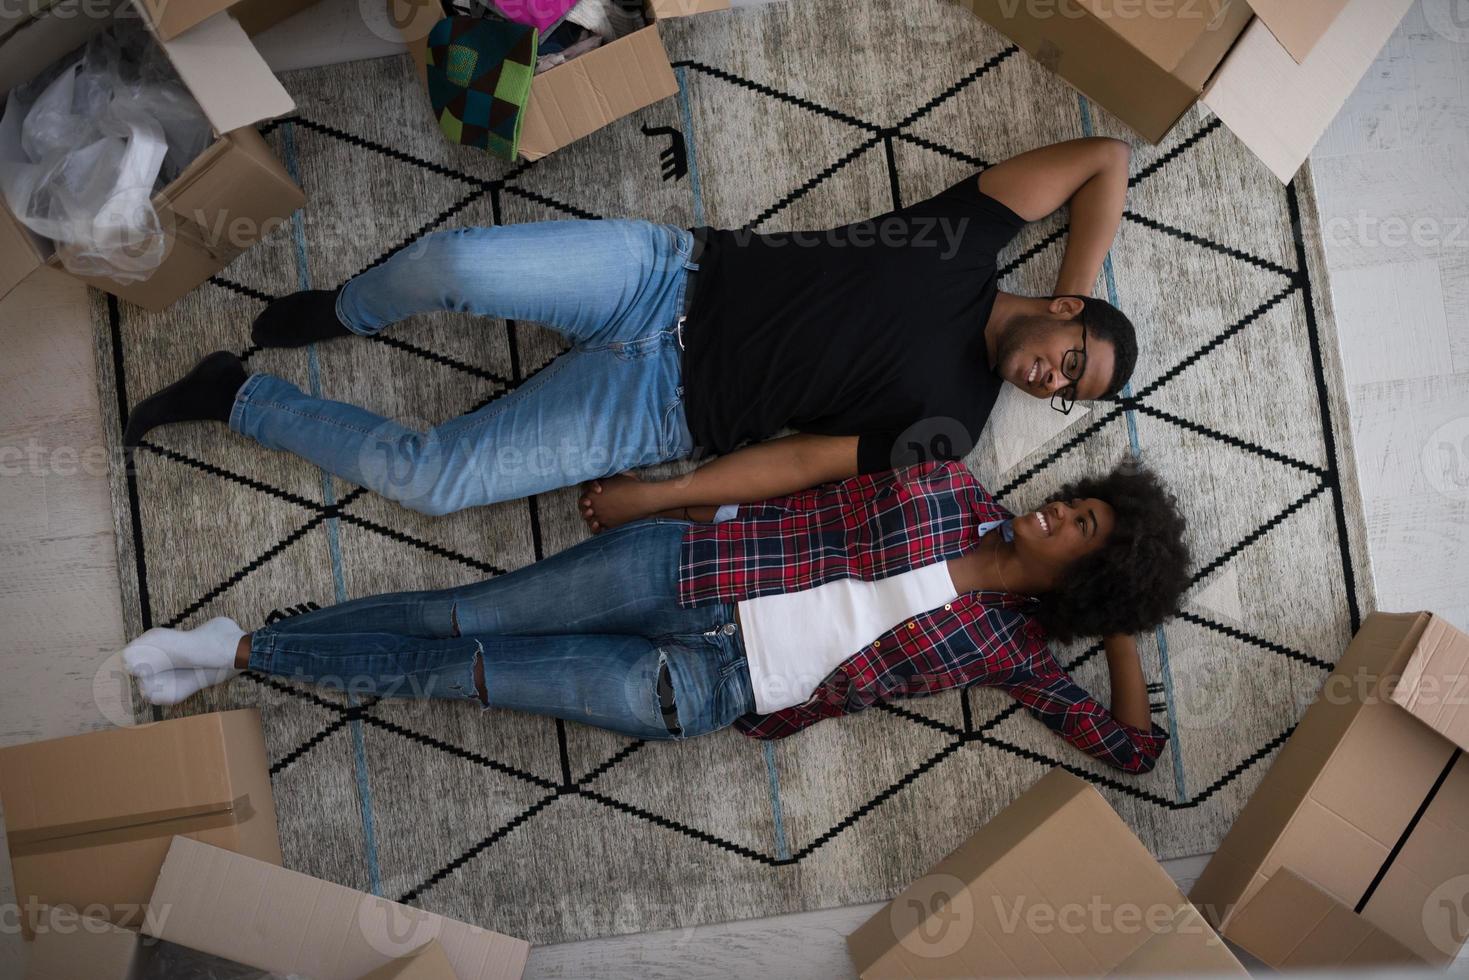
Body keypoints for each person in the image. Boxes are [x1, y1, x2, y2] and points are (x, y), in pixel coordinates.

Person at [121, 138, 1138, 518]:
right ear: (1059, 308)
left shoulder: (950, 426)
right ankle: (345, 309)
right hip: (664, 277)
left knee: (434, 481)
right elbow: (1104, 159)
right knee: (457, 264)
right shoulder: (967, 242)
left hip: (657, 411)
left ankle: (235, 394)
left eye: (1065, 391)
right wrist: (1076, 293)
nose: (1052, 378)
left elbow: (797, 465)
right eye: (1071, 359)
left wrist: (670, 492)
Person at [119, 458, 1189, 775]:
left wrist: (1116, 620)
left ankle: (251, 655)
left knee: (466, 675)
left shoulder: (1011, 650)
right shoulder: (949, 484)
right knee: (461, 616)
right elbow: (809, 465)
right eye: (1080, 503)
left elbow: (1132, 748)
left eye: (1081, 532)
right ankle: (245, 645)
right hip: (687, 565)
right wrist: (661, 493)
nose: (1057, 511)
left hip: (707, 687)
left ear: (1079, 582)